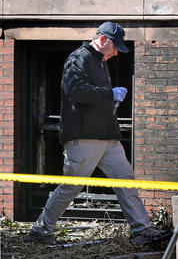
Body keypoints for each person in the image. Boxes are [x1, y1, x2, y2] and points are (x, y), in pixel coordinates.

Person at [28, 22, 170, 245]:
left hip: (106, 137)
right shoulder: (79, 58)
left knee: (126, 180)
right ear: (103, 40)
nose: (115, 53)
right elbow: (75, 92)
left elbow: (92, 95)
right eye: (115, 47)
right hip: (84, 136)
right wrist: (109, 94)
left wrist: (109, 96)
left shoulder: (98, 61)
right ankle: (41, 231)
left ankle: (142, 230)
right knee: (71, 186)